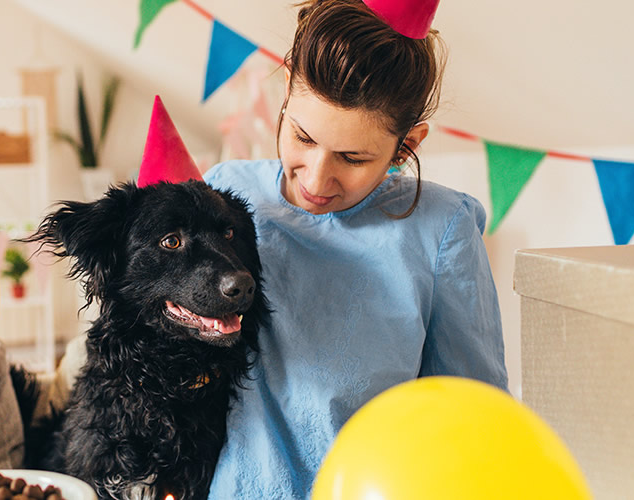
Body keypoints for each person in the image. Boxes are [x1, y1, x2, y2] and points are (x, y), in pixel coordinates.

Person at [200, 0, 507, 497]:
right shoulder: (224, 196)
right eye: (302, 137)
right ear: (285, 92)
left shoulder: (441, 229)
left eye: (353, 157)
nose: (318, 178)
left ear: (406, 146)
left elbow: (474, 413)